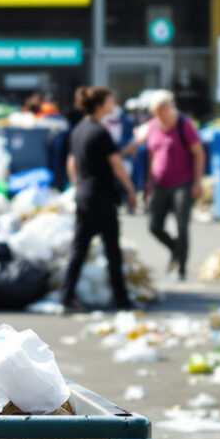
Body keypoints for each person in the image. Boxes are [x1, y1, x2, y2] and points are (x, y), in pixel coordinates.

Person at [58, 86, 137, 312]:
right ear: (101, 105)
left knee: (79, 248)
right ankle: (122, 299)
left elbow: (71, 163)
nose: (114, 105)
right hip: (101, 196)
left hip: (84, 194)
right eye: (111, 101)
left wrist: (77, 185)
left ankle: (66, 295)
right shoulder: (101, 133)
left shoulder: (78, 130)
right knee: (112, 249)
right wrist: (131, 190)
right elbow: (117, 165)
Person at [123, 89, 205, 280]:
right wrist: (148, 182)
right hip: (160, 183)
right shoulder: (152, 126)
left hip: (183, 183)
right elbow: (146, 150)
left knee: (182, 226)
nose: (160, 114)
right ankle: (176, 249)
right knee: (154, 226)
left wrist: (197, 182)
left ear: (170, 107)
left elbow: (198, 153)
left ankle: (182, 267)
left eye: (163, 109)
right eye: (156, 110)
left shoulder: (184, 125)